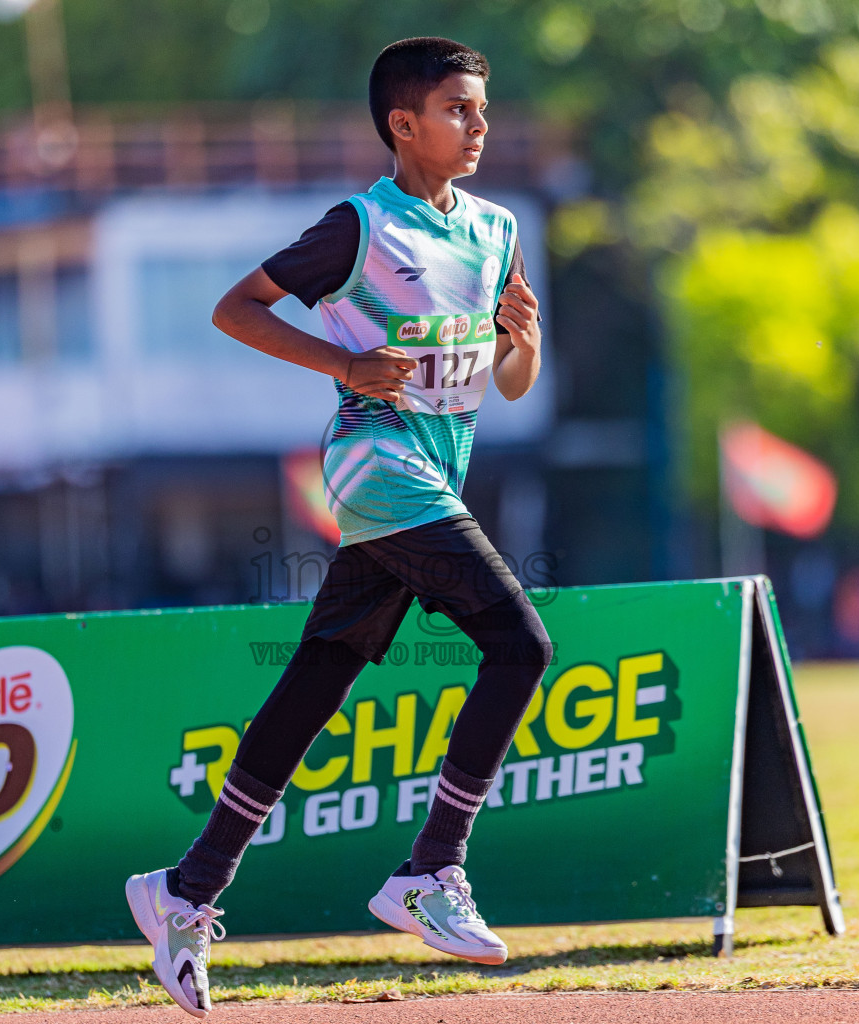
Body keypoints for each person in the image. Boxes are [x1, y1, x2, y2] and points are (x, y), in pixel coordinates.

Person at [123, 36, 553, 1018]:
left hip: (440, 468)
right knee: (520, 646)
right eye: (458, 109)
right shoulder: (360, 227)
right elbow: (238, 309)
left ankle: (187, 888)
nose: (479, 125)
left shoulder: (496, 231)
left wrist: (519, 342)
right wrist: (343, 364)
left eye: (482, 109)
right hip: (376, 464)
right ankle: (431, 869)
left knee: (320, 676)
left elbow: (511, 384)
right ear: (404, 124)